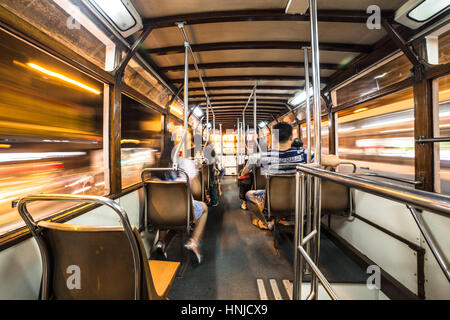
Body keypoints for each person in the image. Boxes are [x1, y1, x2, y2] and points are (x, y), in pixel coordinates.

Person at [241, 122, 309, 230]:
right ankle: (289, 219)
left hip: (273, 200)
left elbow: (244, 172)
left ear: (274, 138)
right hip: (299, 198)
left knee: (249, 194)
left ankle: (265, 222)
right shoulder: (304, 153)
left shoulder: (262, 156)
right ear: (291, 137)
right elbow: (333, 161)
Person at [153, 136, 208, 263]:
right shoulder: (185, 164)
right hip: (183, 212)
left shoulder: (153, 168)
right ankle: (193, 242)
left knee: (165, 206)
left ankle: (161, 242)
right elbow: (197, 191)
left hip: (160, 213)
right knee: (204, 208)